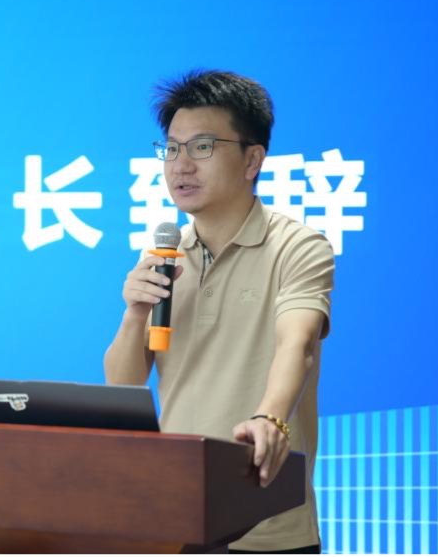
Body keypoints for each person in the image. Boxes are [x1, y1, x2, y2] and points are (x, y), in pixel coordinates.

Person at [104, 69, 334, 553]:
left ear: (253, 159)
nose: (181, 165)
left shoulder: (298, 247)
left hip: (267, 524)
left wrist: (270, 420)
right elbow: (123, 386)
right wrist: (134, 313)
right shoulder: (164, 258)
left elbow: (298, 346)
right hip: (177, 517)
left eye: (202, 147)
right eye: (171, 149)